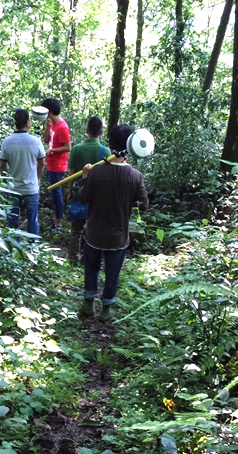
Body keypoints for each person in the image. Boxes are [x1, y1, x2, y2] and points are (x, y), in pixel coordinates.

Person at [78, 124, 148, 319]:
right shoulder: (135, 176)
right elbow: (144, 205)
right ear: (131, 146)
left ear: (109, 145)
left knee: (91, 268)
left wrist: (84, 178)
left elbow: (82, 198)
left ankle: (88, 304)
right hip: (118, 236)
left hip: (95, 233)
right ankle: (107, 309)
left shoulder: (96, 172)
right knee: (113, 272)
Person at [67, 116, 111, 263]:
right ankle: (90, 258)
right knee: (94, 229)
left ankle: (73, 257)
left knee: (76, 229)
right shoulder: (106, 152)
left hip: (79, 193)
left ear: (86, 130)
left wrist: (69, 191)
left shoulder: (77, 149)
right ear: (101, 132)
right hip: (97, 197)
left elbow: (71, 174)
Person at [0, 108, 45, 235]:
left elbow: (3, 165)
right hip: (31, 187)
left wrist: (4, 184)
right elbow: (42, 163)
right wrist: (38, 178)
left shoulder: (7, 142)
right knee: (32, 220)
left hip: (13, 188)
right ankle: (33, 244)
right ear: (28, 122)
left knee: (12, 220)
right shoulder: (36, 141)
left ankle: (14, 244)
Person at [41, 97, 71, 230]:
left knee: (56, 194)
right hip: (51, 164)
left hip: (58, 166)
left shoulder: (62, 127)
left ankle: (58, 223)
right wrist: (47, 127)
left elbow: (68, 147)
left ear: (50, 112)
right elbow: (46, 140)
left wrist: (52, 150)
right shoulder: (52, 124)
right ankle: (56, 220)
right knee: (54, 194)